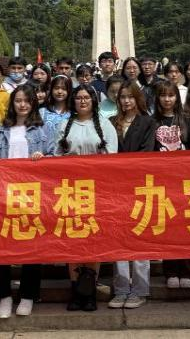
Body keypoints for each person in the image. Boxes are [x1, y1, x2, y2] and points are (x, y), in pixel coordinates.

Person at [0, 85, 55, 318]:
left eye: (27, 100)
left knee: (32, 246)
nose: (22, 104)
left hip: (32, 194)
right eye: (18, 100)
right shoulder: (2, 130)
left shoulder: (43, 129)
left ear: (33, 103)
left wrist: (44, 158)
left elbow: (55, 157)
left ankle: (28, 295)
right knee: (1, 247)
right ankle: (4, 296)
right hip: (5, 195)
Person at [57, 84, 118, 312]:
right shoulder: (64, 125)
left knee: (93, 240)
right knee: (73, 241)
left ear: (93, 100)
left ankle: (89, 291)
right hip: (70, 190)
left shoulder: (105, 125)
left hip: (96, 190)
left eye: (86, 97)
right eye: (79, 98)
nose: (82, 101)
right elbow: (56, 156)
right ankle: (76, 290)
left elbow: (113, 158)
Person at [108, 81, 156, 309]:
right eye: (122, 97)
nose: (126, 101)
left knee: (139, 236)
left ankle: (140, 289)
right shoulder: (111, 122)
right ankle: (120, 289)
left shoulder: (148, 122)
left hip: (139, 185)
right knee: (118, 238)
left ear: (138, 98)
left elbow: (147, 153)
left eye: (130, 97)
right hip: (115, 187)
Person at [153, 81, 190, 289]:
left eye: (171, 95)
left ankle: (186, 271)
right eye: (163, 95)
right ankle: (170, 270)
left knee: (186, 226)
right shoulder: (152, 121)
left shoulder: (187, 120)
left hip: (184, 180)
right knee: (168, 226)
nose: (167, 99)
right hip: (162, 181)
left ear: (176, 98)